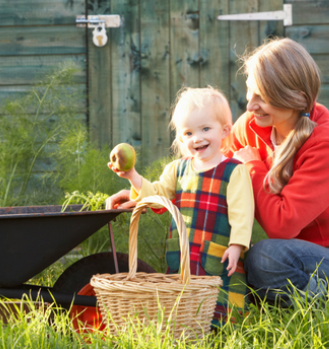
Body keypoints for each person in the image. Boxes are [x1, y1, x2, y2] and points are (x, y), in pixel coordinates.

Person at [227, 37, 329, 303]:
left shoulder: (328, 143)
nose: (250, 105)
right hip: (300, 261)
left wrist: (251, 166)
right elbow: (210, 170)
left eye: (261, 96)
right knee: (240, 260)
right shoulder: (251, 125)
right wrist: (151, 191)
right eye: (250, 92)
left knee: (265, 257)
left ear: (295, 98)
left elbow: (282, 225)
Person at [107, 87, 254, 326]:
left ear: (225, 131)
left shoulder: (234, 171)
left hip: (218, 255)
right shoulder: (177, 169)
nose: (197, 138)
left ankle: (224, 333)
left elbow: (242, 213)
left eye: (206, 129)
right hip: (184, 257)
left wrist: (237, 245)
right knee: (183, 312)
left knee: (221, 310)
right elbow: (157, 198)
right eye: (188, 132)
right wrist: (132, 175)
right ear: (181, 138)